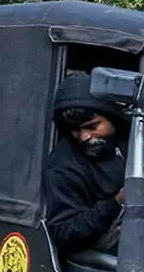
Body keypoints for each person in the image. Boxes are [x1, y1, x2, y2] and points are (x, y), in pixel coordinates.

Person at [44, 73, 127, 256]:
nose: (84, 137)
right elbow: (63, 232)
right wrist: (115, 203)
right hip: (99, 241)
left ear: (111, 118)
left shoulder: (133, 140)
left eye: (92, 126)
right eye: (76, 130)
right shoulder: (62, 167)